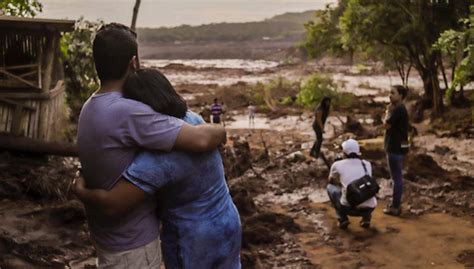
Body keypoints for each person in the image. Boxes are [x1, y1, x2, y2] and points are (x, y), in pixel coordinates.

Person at [76, 23, 226, 268]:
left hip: (107, 239)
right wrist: (221, 130)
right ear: (133, 63)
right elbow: (201, 139)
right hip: (134, 247)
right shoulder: (128, 112)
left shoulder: (91, 106)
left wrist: (80, 191)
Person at [326, 139, 377, 229]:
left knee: (330, 188)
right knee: (366, 189)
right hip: (370, 208)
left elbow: (331, 181)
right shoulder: (366, 164)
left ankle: (342, 218)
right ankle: (366, 219)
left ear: (344, 152)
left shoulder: (337, 165)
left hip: (349, 208)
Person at [383, 85, 409, 216]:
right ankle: (396, 203)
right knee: (398, 176)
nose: (390, 95)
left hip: (394, 147)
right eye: (389, 92)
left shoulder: (397, 109)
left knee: (396, 178)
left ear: (401, 96)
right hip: (400, 146)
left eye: (393, 93)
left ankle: (395, 206)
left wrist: (387, 112)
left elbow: (386, 125)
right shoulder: (402, 109)